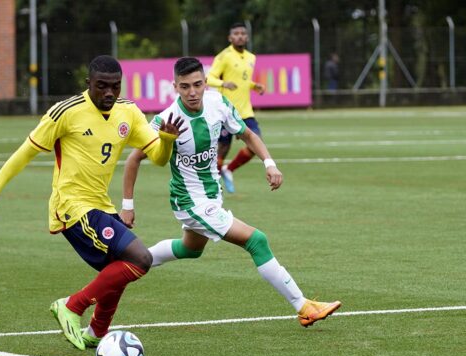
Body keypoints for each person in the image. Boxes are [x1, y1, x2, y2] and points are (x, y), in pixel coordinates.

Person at [0, 55, 186, 350]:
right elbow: (23, 153)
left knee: (119, 268)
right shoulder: (65, 112)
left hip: (101, 205)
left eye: (115, 86)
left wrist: (167, 140)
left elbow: (159, 159)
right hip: (71, 206)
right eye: (101, 86)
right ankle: (71, 306)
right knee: (141, 258)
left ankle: (96, 333)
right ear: (88, 84)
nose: (109, 93)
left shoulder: (129, 112)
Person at [122, 57, 341, 328]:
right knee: (256, 240)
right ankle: (304, 306)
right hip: (191, 201)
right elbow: (133, 160)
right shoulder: (166, 120)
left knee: (190, 249)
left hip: (211, 195)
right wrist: (128, 205)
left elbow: (247, 135)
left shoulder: (218, 103)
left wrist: (269, 164)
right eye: (185, 86)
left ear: (205, 83)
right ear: (175, 87)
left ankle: (121, 266)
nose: (192, 92)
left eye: (198, 85)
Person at [207, 22, 265, 193]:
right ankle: (213, 185)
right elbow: (209, 78)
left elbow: (243, 80)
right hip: (225, 111)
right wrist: (223, 83)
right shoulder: (223, 56)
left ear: (247, 37)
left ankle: (228, 169)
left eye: (242, 33)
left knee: (256, 143)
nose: (240, 36)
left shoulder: (251, 57)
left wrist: (254, 86)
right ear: (230, 37)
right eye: (236, 33)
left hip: (246, 111)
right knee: (222, 150)